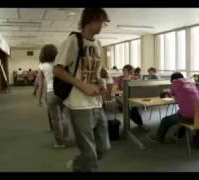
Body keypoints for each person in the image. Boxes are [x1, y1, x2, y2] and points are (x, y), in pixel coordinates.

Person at [53, 8, 111, 172]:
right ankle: (85, 164)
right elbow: (57, 70)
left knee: (104, 147)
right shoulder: (74, 40)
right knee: (90, 154)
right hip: (78, 104)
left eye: (103, 22)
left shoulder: (98, 44)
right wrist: (82, 85)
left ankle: (78, 164)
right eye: (100, 21)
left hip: (96, 102)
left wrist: (102, 82)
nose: (102, 25)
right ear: (89, 20)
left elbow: (98, 71)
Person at [150, 72, 199, 143]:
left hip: (188, 118)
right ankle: (178, 135)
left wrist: (166, 93)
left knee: (165, 120)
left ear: (173, 80)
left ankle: (158, 138)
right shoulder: (192, 83)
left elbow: (170, 94)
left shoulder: (175, 82)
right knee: (179, 113)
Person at [38, 44, 69, 149]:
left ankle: (60, 143)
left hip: (51, 93)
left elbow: (41, 85)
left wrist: (39, 99)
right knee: (63, 115)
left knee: (55, 119)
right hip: (62, 93)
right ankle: (65, 135)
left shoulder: (42, 66)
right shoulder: (60, 64)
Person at [112, 64, 150, 131]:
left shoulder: (135, 78)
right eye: (123, 70)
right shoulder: (119, 79)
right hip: (120, 96)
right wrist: (124, 92)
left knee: (132, 107)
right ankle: (140, 124)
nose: (123, 72)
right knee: (130, 108)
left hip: (132, 97)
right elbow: (113, 91)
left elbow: (140, 88)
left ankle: (138, 123)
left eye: (125, 71)